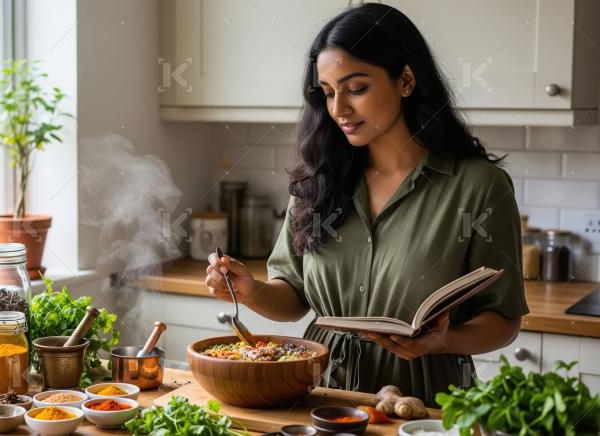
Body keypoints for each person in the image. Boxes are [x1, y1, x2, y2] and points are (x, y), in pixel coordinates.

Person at [205, 3, 527, 406]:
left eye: (356, 88)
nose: (338, 109)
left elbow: (504, 319)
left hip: (424, 397)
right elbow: (293, 297)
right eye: (327, 93)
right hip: (318, 391)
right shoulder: (316, 182)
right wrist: (250, 291)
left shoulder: (479, 186)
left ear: (406, 80)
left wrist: (444, 340)